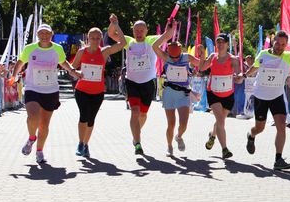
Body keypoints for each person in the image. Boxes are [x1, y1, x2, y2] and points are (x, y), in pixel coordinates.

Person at [11, 24, 81, 163]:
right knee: (33, 117)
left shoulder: (57, 48)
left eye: (47, 33)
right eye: (41, 33)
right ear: (37, 35)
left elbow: (63, 62)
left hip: (50, 90)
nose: (44, 36)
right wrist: (13, 76)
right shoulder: (30, 48)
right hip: (33, 88)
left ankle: (39, 151)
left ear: (51, 34)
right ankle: (32, 138)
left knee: (44, 125)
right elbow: (20, 62)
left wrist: (73, 71)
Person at [71, 14, 126, 157]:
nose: (95, 40)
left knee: (91, 119)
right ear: (88, 38)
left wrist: (116, 25)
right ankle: (80, 143)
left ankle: (86, 144)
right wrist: (76, 72)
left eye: (97, 38)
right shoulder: (82, 51)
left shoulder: (104, 51)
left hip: (98, 92)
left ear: (101, 38)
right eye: (92, 38)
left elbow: (122, 43)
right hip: (82, 90)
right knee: (84, 116)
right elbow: (72, 68)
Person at [244, 30, 290, 170]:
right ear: (273, 42)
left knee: (281, 126)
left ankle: (278, 159)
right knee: (259, 128)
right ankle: (251, 135)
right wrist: (243, 76)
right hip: (261, 96)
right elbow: (255, 67)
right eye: (278, 43)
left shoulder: (288, 57)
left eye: (283, 45)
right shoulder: (263, 54)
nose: (280, 47)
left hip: (277, 96)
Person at [110, 20, 161, 155]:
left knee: (143, 114)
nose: (139, 33)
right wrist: (114, 24)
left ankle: (135, 134)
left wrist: (171, 27)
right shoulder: (128, 41)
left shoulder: (151, 40)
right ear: (133, 31)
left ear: (146, 31)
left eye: (141, 30)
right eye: (136, 30)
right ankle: (138, 143)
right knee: (135, 111)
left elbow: (167, 36)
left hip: (148, 83)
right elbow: (111, 34)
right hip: (132, 82)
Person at [153, 23, 198, 157]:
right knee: (171, 123)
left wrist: (203, 60)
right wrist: (166, 35)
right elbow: (154, 46)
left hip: (183, 93)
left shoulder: (187, 57)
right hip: (169, 93)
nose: (175, 59)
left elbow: (201, 63)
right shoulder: (166, 57)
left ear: (181, 52)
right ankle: (169, 146)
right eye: (173, 57)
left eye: (177, 57)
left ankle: (178, 136)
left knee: (183, 124)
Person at [198, 33, 243, 159]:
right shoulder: (212, 56)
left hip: (228, 95)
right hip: (213, 93)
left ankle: (212, 136)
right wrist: (202, 55)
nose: (220, 44)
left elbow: (238, 73)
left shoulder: (233, 59)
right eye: (218, 42)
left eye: (222, 42)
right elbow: (202, 68)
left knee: (220, 121)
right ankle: (224, 149)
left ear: (227, 44)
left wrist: (239, 77)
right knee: (221, 121)